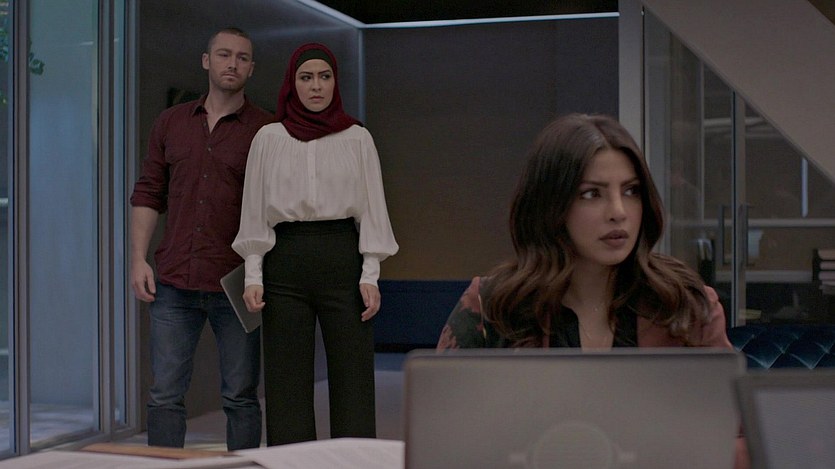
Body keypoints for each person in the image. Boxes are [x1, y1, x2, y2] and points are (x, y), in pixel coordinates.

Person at [436, 113, 749, 469]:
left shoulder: (685, 304)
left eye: (631, 191)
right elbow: (441, 441)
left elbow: (741, 441)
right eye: (591, 194)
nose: (618, 212)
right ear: (551, 206)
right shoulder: (493, 306)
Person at [232, 42, 398, 446]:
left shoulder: (357, 138)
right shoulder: (269, 138)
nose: (316, 86)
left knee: (354, 377)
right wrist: (253, 274)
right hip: (284, 261)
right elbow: (254, 209)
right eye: (306, 77)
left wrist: (370, 274)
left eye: (325, 77)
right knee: (285, 381)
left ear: (335, 82)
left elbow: (373, 209)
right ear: (292, 84)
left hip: (342, 258)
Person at [129, 27, 272, 450]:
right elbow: (148, 193)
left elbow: (276, 209)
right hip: (175, 279)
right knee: (165, 394)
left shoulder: (267, 131)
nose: (232, 64)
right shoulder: (171, 123)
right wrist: (137, 259)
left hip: (239, 283)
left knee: (241, 396)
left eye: (242, 58)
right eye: (224, 55)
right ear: (206, 61)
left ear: (251, 68)